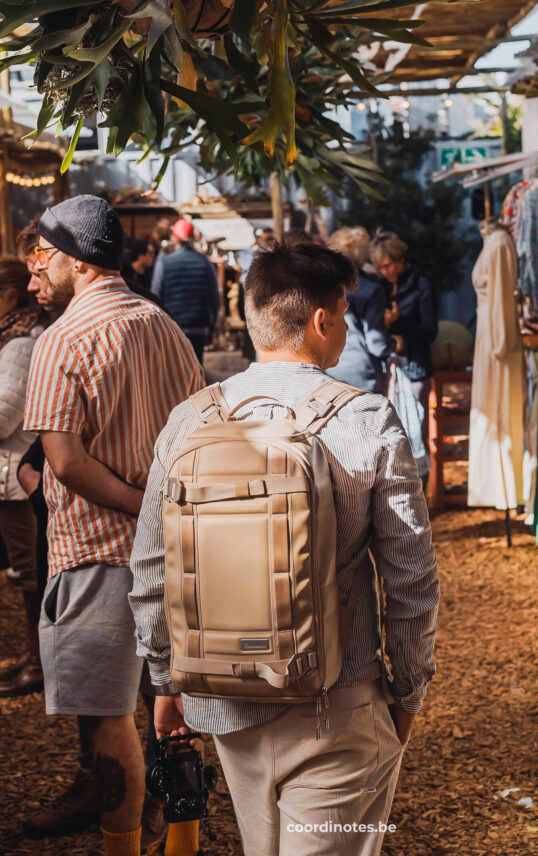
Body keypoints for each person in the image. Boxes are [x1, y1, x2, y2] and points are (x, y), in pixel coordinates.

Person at [130, 240, 439, 856]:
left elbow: (150, 570)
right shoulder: (367, 419)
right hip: (339, 706)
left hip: (224, 697)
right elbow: (410, 579)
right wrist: (407, 694)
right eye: (345, 312)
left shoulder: (191, 420)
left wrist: (167, 682)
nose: (348, 325)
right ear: (321, 321)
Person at [23, 195, 204, 856]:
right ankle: (182, 844)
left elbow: (64, 462)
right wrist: (162, 512)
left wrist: (137, 504)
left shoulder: (63, 338)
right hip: (177, 555)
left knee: (109, 724)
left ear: (73, 258)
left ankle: (123, 850)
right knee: (176, 709)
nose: (36, 269)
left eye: (41, 255)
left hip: (98, 557)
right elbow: (198, 439)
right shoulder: (164, 327)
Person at [0, 257, 45, 698]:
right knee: (25, 571)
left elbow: (5, 414)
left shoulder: (19, 344)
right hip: (12, 473)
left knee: (30, 573)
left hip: (16, 475)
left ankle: (38, 661)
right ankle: (33, 657)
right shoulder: (13, 337)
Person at [370, 232, 438, 452]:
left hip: (415, 367)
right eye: (379, 267)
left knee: (417, 430)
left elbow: (430, 332)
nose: (384, 271)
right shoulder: (378, 287)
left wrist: (401, 322)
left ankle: (422, 481)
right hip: (385, 368)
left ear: (400, 260)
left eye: (388, 265)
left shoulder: (421, 285)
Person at [328, 226, 394, 393]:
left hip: (327, 372)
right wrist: (394, 343)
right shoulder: (371, 289)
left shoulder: (323, 287)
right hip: (363, 376)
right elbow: (377, 344)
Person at [151, 218, 219, 363]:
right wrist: (211, 328)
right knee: (197, 366)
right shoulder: (205, 263)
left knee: (174, 370)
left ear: (174, 237)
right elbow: (215, 299)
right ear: (192, 239)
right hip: (199, 327)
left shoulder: (164, 263)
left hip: (173, 327)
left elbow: (155, 297)